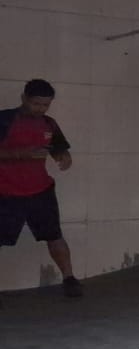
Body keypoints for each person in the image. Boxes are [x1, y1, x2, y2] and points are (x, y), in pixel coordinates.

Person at [0, 79, 81, 298]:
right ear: (24, 98)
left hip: (41, 191)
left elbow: (58, 149)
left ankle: (70, 279)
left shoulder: (49, 124)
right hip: (6, 193)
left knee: (54, 235)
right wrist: (22, 154)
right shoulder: (4, 120)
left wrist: (64, 157)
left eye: (46, 105)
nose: (41, 109)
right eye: (36, 104)